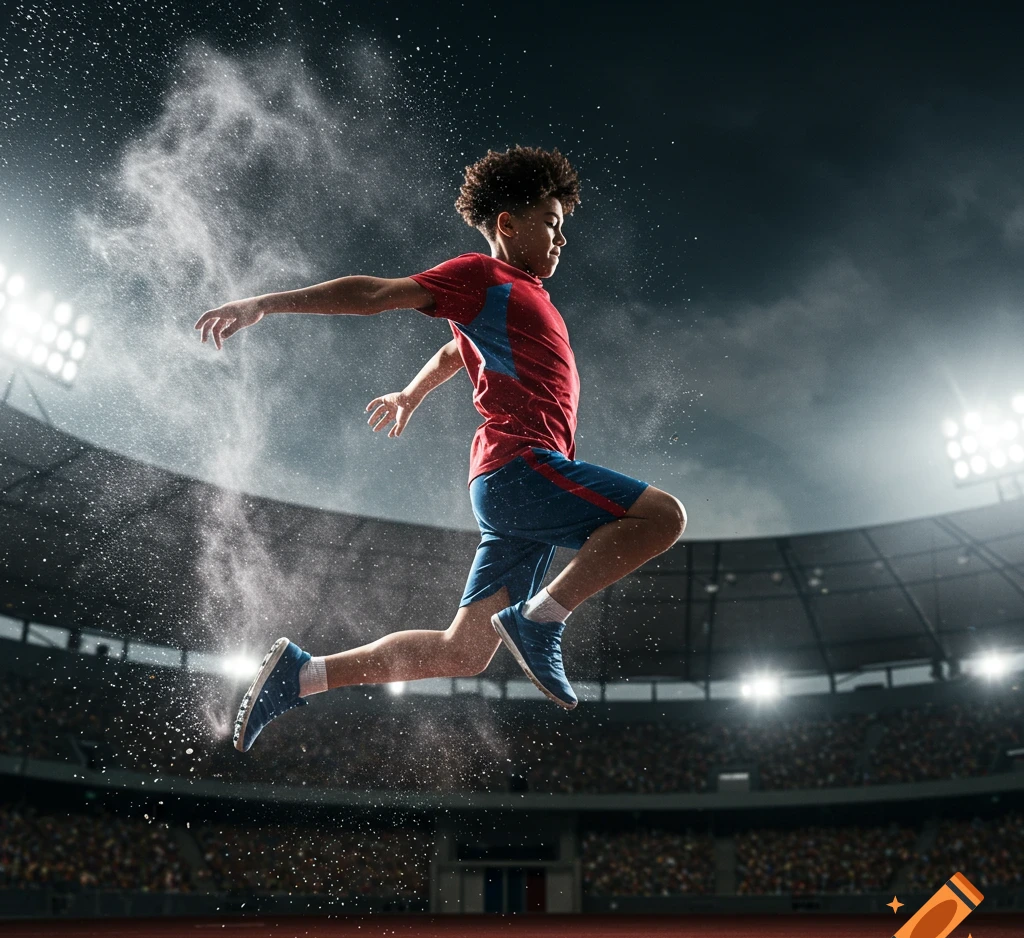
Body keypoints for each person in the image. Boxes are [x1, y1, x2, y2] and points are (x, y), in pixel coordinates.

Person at [194, 146, 687, 753]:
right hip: (522, 469)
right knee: (661, 517)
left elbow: (457, 352)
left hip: (513, 493)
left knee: (465, 650)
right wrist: (265, 303)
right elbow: (377, 293)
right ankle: (542, 621)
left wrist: (410, 393)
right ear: (508, 223)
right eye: (552, 224)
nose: (562, 239)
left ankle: (303, 673)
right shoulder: (482, 275)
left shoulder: (516, 298)